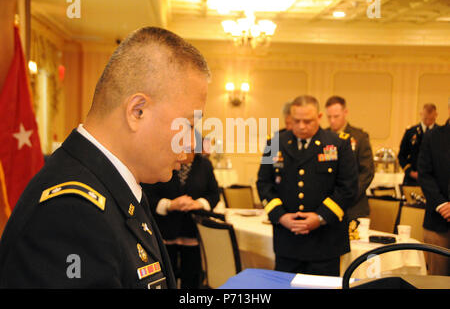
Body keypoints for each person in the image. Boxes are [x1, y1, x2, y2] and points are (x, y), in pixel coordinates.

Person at [0, 27, 210, 288]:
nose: (192, 143)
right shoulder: (72, 214)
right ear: (138, 111)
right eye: (189, 125)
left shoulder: (114, 184)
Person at [257, 95, 358, 276]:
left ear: (319, 117)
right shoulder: (274, 143)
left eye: (308, 121)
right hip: (288, 241)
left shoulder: (338, 144)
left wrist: (320, 217)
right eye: (296, 121)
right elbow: (264, 183)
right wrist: (280, 216)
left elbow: (348, 188)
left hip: (325, 242)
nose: (302, 126)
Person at [142, 136, 220, 289]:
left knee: (191, 279)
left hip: (192, 231)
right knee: (166, 278)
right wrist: (170, 205)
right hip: (165, 231)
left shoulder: (204, 165)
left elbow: (214, 194)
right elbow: (147, 196)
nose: (187, 154)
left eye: (191, 149)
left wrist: (199, 203)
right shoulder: (162, 162)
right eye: (184, 148)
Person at [325, 96, 375, 220]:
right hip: (327, 205)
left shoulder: (359, 137)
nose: (332, 121)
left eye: (336, 116)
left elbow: (367, 172)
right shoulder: (323, 136)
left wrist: (347, 195)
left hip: (354, 207)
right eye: (329, 117)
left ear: (345, 113)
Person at [417, 99, 450, 276]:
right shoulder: (434, 136)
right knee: (437, 279)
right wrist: (442, 204)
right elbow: (424, 173)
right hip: (438, 221)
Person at [398, 103, 438, 185]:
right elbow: (402, 155)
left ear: (436, 115)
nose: (428, 121)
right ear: (421, 114)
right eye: (425, 118)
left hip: (434, 181)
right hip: (412, 179)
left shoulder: (441, 133)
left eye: (431, 119)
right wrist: (410, 172)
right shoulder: (411, 132)